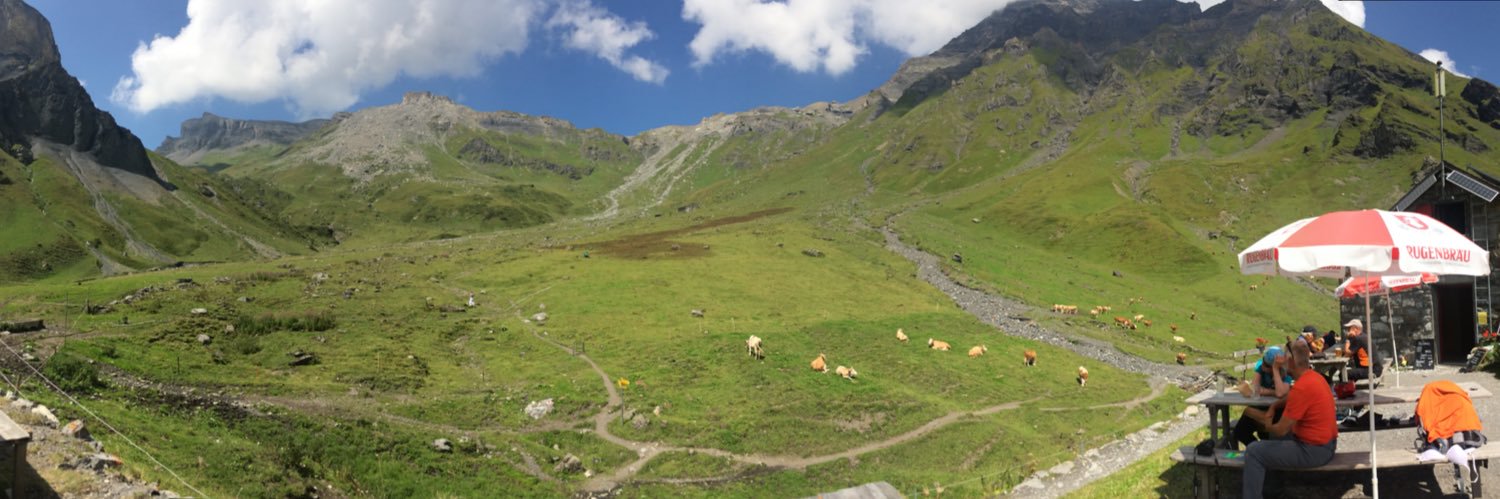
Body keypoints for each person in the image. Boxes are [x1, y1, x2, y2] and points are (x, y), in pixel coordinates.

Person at [1242, 341, 1338, 498]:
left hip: (1314, 451)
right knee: (1272, 442)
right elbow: (1291, 395)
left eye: (1285, 358)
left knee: (1254, 451)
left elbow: (1280, 430)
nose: (1282, 362)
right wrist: (1275, 406)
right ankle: (1274, 488)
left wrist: (1266, 424)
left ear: (1292, 362)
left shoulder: (1302, 387)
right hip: (1327, 444)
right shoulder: (1314, 377)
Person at [1233, 345, 1294, 448]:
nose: (1263, 366)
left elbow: (1280, 393)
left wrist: (1275, 371)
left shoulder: (1285, 372)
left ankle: (1261, 450)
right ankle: (1257, 449)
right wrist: (1272, 391)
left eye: (1266, 365)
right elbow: (1256, 388)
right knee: (1240, 431)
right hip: (1260, 407)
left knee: (1265, 432)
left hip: (1277, 410)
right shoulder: (1260, 367)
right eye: (1263, 362)